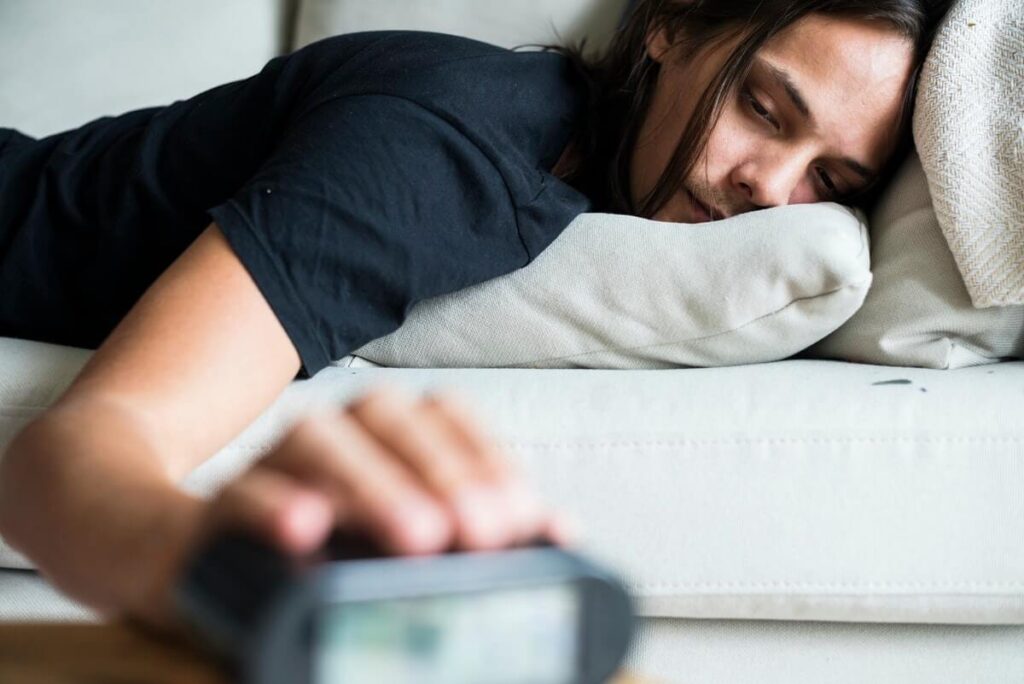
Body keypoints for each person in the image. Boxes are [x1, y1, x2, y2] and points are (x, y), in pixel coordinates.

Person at [0, 0, 946, 637]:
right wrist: (227, 583)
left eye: (830, 180)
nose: (770, 190)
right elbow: (71, 454)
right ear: (671, 24)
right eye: (764, 109)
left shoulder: (590, 180)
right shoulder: (442, 145)